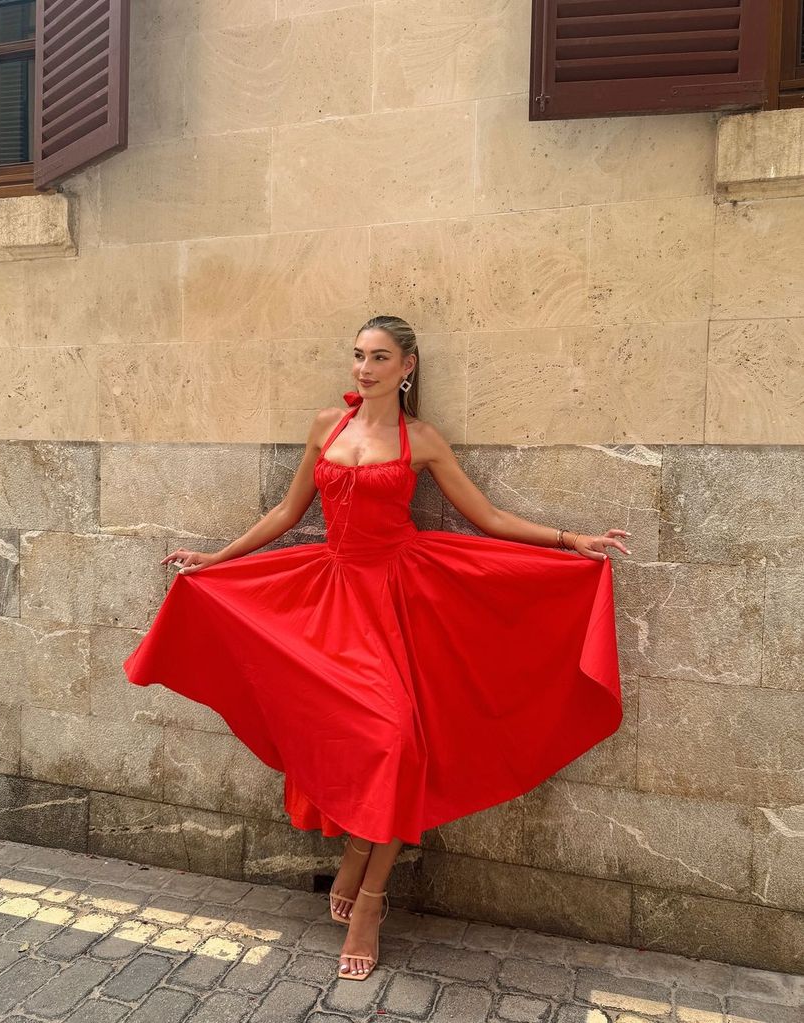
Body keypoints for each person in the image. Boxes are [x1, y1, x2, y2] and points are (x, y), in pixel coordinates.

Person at [123, 314, 629, 982]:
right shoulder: (323, 427)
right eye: (358, 356)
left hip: (401, 599)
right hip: (330, 597)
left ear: (407, 365)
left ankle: (368, 894)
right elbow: (285, 513)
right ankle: (361, 855)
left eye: (379, 357)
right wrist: (217, 557)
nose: (363, 369)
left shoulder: (419, 439)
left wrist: (571, 541)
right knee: (367, 741)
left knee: (400, 743)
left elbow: (488, 518)